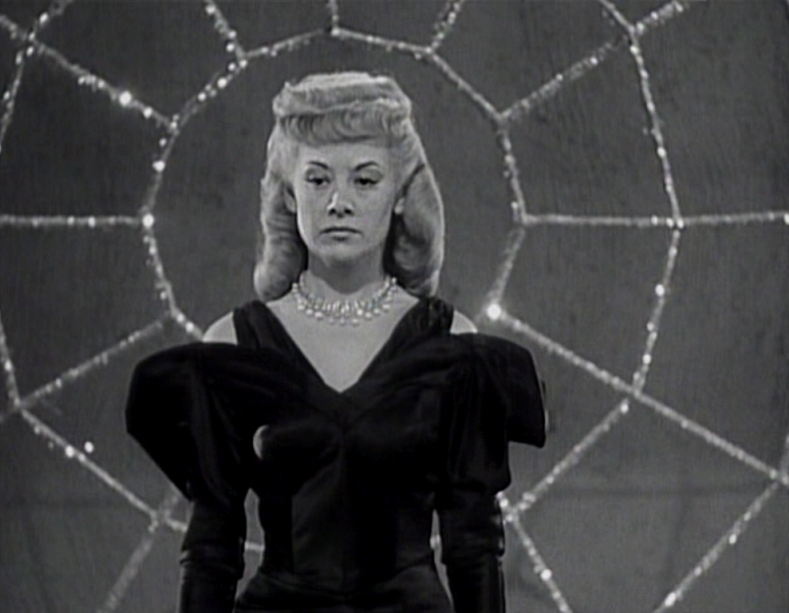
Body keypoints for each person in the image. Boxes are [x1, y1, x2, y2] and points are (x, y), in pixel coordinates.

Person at [126, 71, 546, 613]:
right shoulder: (233, 346)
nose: (338, 202)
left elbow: (474, 545)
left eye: (364, 181)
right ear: (288, 192)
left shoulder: (454, 347)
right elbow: (212, 545)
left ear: (401, 195)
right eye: (318, 180)